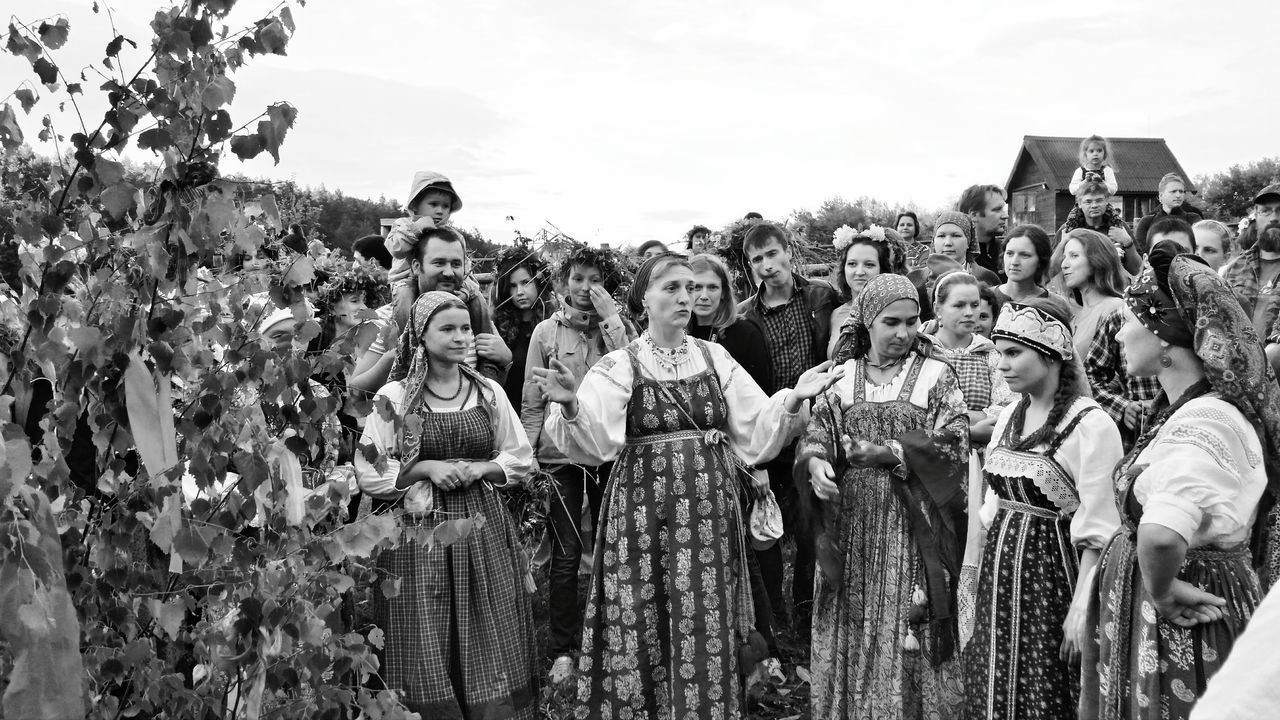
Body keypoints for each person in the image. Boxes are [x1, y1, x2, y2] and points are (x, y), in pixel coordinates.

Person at [535, 253, 842, 719]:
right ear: (644, 299)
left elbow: (754, 423)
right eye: (672, 288)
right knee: (642, 606)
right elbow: (596, 442)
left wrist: (794, 396)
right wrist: (571, 405)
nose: (686, 297)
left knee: (704, 609)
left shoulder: (713, 356)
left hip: (707, 511)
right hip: (643, 512)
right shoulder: (620, 364)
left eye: (691, 287)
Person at [1080, 245, 1280, 720]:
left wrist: (1163, 589)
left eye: (1130, 319)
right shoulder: (1184, 411)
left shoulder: (1208, 419)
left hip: (1182, 618)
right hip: (1156, 606)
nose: (1122, 331)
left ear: (1164, 337)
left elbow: (1163, 531)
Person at [354, 291, 538, 719]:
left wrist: (483, 469)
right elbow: (368, 467)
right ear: (421, 335)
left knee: (487, 615)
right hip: (420, 529)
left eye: (466, 329)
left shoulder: (487, 391)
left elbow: (520, 455)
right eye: (448, 329)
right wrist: (424, 469)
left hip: (481, 524)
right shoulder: (396, 396)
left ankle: (487, 707)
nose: (461, 337)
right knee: (422, 621)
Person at [799, 273, 970, 719]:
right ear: (868, 322)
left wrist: (890, 452)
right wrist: (817, 465)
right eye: (892, 322)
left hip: (911, 522)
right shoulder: (840, 377)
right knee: (849, 614)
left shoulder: (937, 375)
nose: (904, 333)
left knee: (904, 617)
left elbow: (954, 442)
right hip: (852, 519)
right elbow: (818, 433)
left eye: (913, 321)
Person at [960, 297, 1124, 720]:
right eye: (999, 353)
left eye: (1014, 353)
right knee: (997, 675)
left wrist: (1081, 608)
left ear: (1051, 354)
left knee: (1048, 685)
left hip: (1055, 580)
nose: (1001, 365)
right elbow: (992, 504)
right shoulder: (1011, 414)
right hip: (1001, 577)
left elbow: (1103, 525)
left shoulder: (1090, 425)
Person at [519, 244, 635, 685]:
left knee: (613, 548)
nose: (586, 288)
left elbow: (634, 372)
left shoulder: (617, 328)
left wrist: (612, 323)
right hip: (559, 455)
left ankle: (613, 636)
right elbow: (533, 399)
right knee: (566, 554)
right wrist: (529, 455)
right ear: (563, 280)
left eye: (596, 279)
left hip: (608, 452)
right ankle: (563, 649)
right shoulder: (545, 334)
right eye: (578, 278)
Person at [737, 222, 842, 641]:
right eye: (756, 259)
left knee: (808, 528)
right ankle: (774, 619)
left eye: (771, 254)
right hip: (771, 429)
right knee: (766, 529)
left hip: (812, 429)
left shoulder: (819, 296)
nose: (766, 265)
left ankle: (804, 616)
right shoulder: (746, 314)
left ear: (788, 252)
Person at [688, 252, 785, 678]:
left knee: (755, 551)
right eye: (693, 287)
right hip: (694, 467)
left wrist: (759, 464)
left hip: (740, 460)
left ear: (726, 292)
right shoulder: (677, 340)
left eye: (712, 286)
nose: (702, 295)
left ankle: (769, 641)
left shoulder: (741, 334)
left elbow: (759, 403)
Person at [923, 271, 1015, 648]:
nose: (969, 312)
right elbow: (925, 413)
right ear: (938, 309)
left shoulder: (990, 353)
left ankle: (973, 628)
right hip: (933, 460)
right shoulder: (924, 351)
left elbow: (1005, 407)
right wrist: (970, 422)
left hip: (978, 463)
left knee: (972, 539)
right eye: (958, 305)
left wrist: (968, 424)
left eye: (975, 305)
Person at [350, 226, 511, 396]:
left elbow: (493, 391)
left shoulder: (475, 319)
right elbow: (355, 392)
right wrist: (394, 357)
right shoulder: (383, 320)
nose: (449, 272)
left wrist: (506, 361)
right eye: (439, 263)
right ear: (416, 267)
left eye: (456, 264)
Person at [1083, 224, 1194, 450]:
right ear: (1145, 259)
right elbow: (1089, 376)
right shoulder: (1123, 312)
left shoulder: (1197, 316)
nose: (1120, 337)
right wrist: (1121, 406)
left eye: (1184, 254)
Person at [491, 246, 556, 409]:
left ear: (539, 282)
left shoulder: (552, 324)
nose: (520, 291)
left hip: (545, 415)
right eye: (513, 285)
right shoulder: (499, 327)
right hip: (508, 410)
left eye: (526, 282)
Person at [1052, 228, 1128, 360]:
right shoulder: (1075, 316)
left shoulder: (1116, 308)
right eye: (1064, 258)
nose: (1064, 265)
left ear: (1097, 259)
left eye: (1074, 256)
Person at [1222, 183, 1280, 338]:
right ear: (1256, 214)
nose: (1274, 218)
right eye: (1266, 211)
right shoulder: (1234, 269)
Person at [1054, 178, 1142, 275]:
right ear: (1079, 203)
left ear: (1107, 201)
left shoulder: (1120, 227)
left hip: (1114, 286)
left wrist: (1128, 243)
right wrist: (1062, 245)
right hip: (1076, 288)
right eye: (1088, 201)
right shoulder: (1067, 230)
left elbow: (1138, 271)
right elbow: (1050, 272)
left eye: (1099, 200)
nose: (1094, 205)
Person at [1134, 173, 1203, 255]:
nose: (1178, 195)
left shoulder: (1193, 219)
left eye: (1181, 191)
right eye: (1173, 191)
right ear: (1161, 196)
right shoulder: (1147, 222)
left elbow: (1200, 247)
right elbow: (1140, 251)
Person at [931, 211, 1001, 287]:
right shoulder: (920, 279)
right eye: (941, 236)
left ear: (968, 241)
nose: (948, 243)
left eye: (956, 236)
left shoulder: (987, 278)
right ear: (934, 240)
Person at [995, 224, 1056, 306]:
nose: (1014, 262)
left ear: (1040, 260)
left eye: (1025, 255)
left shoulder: (1055, 304)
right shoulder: (984, 298)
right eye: (1010, 253)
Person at [958, 185, 1010, 277]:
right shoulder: (958, 258)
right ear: (974, 215)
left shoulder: (1007, 252)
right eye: (997, 210)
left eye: (1003, 209)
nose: (1006, 216)